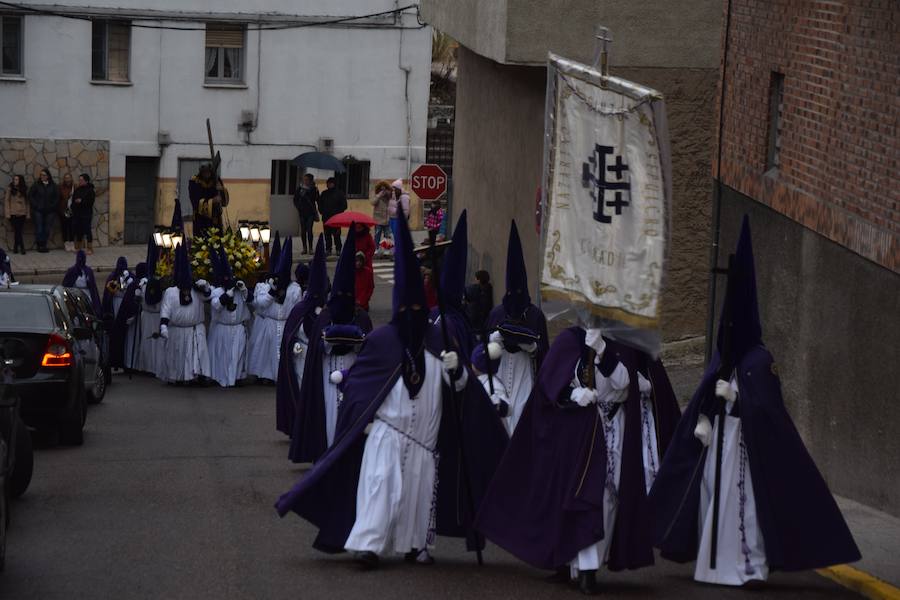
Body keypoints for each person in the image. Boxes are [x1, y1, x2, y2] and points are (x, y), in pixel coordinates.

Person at [275, 208, 507, 569]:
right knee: (379, 487)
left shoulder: (438, 339)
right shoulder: (383, 341)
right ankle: (367, 545)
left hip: (424, 443)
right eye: (407, 307)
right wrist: (361, 419)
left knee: (417, 496)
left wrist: (458, 369)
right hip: (386, 434)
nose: (413, 312)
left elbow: (462, 390)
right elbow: (360, 387)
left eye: (419, 307)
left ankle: (414, 546)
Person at [649, 217, 861, 585]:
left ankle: (749, 565)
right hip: (720, 443)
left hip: (747, 449)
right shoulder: (723, 359)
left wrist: (738, 399)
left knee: (744, 508)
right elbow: (705, 396)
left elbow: (770, 410)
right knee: (713, 500)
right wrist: (705, 419)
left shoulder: (759, 361)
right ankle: (713, 565)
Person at [475, 326, 681, 594]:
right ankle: (583, 568)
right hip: (578, 432)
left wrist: (603, 352)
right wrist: (573, 395)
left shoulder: (624, 343)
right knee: (581, 495)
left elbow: (624, 383)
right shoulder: (569, 340)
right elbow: (550, 387)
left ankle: (585, 562)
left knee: (607, 497)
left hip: (614, 428)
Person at [288, 227, 373, 464]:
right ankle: (325, 452)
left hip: (352, 373)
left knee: (349, 414)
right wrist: (328, 343)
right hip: (326, 374)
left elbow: (368, 350)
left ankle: (348, 455)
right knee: (326, 413)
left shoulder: (361, 317)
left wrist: (355, 343)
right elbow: (318, 346)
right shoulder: (325, 317)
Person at [485, 220, 550, 434]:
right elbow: (481, 355)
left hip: (525, 375)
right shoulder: (496, 314)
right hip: (500, 374)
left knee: (522, 418)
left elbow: (545, 356)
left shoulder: (535, 315)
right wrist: (491, 345)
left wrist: (533, 349)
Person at [276, 236, 329, 437]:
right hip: (301, 356)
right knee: (299, 389)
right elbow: (292, 334)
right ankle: (299, 425)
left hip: (320, 356)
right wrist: (295, 347)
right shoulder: (299, 310)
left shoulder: (326, 312)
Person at [247, 238, 303, 383]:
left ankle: (282, 376)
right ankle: (264, 375)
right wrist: (271, 293)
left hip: (285, 323)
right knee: (264, 352)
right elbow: (259, 305)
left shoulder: (294, 289)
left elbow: (297, 307)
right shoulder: (264, 287)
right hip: (268, 323)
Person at [159, 243, 212, 384]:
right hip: (176, 330)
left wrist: (205, 286)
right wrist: (163, 326)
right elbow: (166, 309)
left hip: (194, 330)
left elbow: (208, 296)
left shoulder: (196, 290)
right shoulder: (171, 293)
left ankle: (195, 376)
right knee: (177, 355)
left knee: (195, 356)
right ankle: (177, 377)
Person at [207, 247, 251, 388]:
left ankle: (237, 377)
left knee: (237, 355)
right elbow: (215, 305)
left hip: (237, 328)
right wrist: (226, 296)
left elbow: (252, 301)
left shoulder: (239, 290)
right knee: (222, 355)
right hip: (222, 329)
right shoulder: (217, 291)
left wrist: (244, 289)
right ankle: (220, 377)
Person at [137, 236, 165, 378]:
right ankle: (149, 366)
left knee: (156, 343)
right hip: (149, 316)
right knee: (149, 342)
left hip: (155, 316)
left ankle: (154, 367)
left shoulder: (148, 283)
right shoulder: (145, 283)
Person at [110, 263, 146, 372]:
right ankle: (130, 363)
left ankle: (136, 363)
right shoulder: (134, 284)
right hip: (132, 319)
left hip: (141, 317)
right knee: (131, 341)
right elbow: (130, 303)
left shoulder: (138, 283)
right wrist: (133, 314)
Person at [188, 164, 228, 239]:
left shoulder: (216, 180)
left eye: (208, 172)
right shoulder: (195, 182)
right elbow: (195, 201)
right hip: (201, 220)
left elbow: (224, 201)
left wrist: (221, 190)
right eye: (204, 172)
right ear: (201, 173)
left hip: (215, 219)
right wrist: (212, 201)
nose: (206, 174)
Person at [62, 249, 101, 315]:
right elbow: (66, 285)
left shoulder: (88, 271)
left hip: (87, 295)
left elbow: (93, 287)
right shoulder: (72, 270)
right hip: (76, 294)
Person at [28, 168, 58, 253]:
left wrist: (52, 206)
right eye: (41, 175)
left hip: (50, 211)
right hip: (38, 210)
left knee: (47, 228)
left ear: (48, 176)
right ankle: (39, 245)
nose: (42, 176)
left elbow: (57, 197)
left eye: (44, 175)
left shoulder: (53, 185)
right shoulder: (36, 185)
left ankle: (44, 244)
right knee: (39, 228)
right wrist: (36, 205)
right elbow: (30, 195)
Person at [318, 177, 347, 255]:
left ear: (334, 184)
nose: (328, 185)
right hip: (326, 217)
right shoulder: (324, 193)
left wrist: (337, 212)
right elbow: (320, 204)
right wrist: (322, 211)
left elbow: (344, 205)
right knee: (327, 235)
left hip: (336, 218)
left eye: (330, 183)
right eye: (327, 183)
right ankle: (328, 249)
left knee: (336, 234)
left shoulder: (340, 193)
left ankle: (338, 249)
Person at [294, 174, 320, 255]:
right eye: (304, 179)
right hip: (302, 213)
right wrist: (299, 207)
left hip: (310, 213)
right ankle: (304, 248)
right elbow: (295, 199)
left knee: (309, 230)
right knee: (303, 231)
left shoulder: (313, 189)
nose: (305, 181)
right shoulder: (299, 189)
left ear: (310, 180)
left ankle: (311, 248)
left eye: (307, 179)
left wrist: (317, 193)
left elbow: (317, 199)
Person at [5, 174, 30, 255]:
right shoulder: (10, 188)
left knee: (18, 231)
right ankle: (22, 247)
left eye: (17, 179)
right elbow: (7, 201)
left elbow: (27, 202)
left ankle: (16, 247)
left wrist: (27, 213)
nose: (15, 181)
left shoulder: (24, 189)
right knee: (17, 230)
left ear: (20, 181)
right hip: (13, 213)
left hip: (22, 213)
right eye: (14, 179)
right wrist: (8, 213)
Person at [71, 173, 95, 254]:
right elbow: (73, 200)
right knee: (78, 231)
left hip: (86, 214)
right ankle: (78, 248)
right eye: (79, 180)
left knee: (87, 230)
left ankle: (90, 248)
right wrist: (73, 207)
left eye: (81, 180)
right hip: (77, 214)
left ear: (86, 181)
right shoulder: (77, 190)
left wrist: (81, 201)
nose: (80, 181)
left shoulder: (90, 190)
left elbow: (90, 202)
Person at [465, 270, 493, 338]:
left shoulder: (473, 289)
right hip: (484, 324)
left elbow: (466, 295)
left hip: (474, 323)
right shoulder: (489, 288)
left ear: (479, 280)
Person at [370, 181, 392, 257]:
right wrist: (379, 195)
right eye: (381, 188)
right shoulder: (377, 196)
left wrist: (387, 192)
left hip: (386, 219)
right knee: (377, 235)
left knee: (387, 236)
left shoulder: (388, 196)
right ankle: (376, 249)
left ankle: (386, 250)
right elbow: (372, 202)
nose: (383, 190)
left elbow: (392, 198)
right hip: (378, 219)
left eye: (384, 188)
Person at [387, 179, 410, 248]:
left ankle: (399, 251)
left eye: (395, 188)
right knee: (393, 236)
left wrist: (403, 221)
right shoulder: (392, 195)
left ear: (399, 188)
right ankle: (395, 251)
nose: (393, 190)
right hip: (392, 219)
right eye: (392, 188)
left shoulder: (404, 197)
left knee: (398, 237)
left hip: (398, 220)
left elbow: (405, 210)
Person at [58, 173, 75, 252]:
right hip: (63, 210)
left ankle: (72, 242)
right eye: (66, 178)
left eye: (69, 178)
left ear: (71, 179)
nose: (67, 179)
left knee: (72, 227)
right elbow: (59, 198)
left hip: (72, 210)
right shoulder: (61, 187)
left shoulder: (75, 187)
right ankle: (66, 243)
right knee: (64, 227)